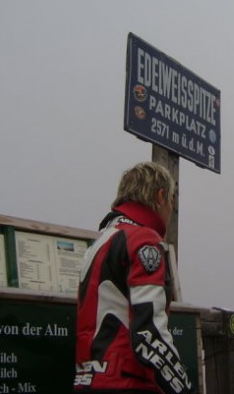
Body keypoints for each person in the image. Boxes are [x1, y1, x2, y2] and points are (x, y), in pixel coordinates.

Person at [73, 161, 194, 394]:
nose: (172, 210)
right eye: (171, 201)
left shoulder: (101, 241)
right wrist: (183, 389)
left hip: (88, 380)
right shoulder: (143, 241)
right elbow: (149, 332)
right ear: (160, 196)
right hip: (128, 382)